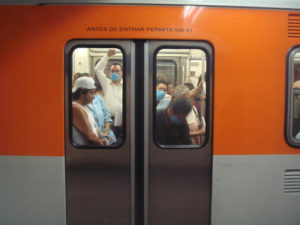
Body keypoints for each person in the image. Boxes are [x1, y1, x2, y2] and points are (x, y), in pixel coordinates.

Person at [95, 49, 123, 137]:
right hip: (108, 121)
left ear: (121, 72)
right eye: (112, 71)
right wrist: (107, 55)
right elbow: (98, 69)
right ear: (109, 73)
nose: (115, 73)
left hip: (123, 121)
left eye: (117, 71)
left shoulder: (128, 85)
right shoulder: (106, 83)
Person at [72, 77, 106, 146]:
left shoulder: (84, 106)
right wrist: (100, 144)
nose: (93, 97)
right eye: (91, 93)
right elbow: (90, 137)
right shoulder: (76, 108)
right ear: (82, 92)